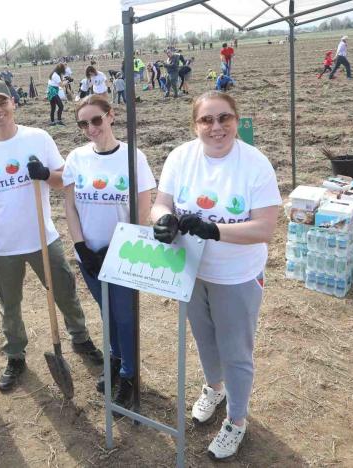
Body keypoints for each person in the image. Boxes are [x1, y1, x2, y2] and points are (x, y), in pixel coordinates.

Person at [150, 91, 281, 461]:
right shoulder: (181, 157)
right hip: (191, 270)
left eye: (224, 118)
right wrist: (162, 220)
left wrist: (215, 231)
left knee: (236, 350)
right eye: (206, 120)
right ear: (195, 125)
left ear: (236, 120)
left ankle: (236, 419)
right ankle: (214, 387)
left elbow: (265, 228)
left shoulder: (255, 164)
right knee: (205, 339)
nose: (216, 127)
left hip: (237, 275)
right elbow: (161, 203)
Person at [0, 80, 103, 392]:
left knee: (65, 291)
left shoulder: (38, 138)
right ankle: (15, 355)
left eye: (3, 102)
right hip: (2, 246)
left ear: (14, 103)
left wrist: (46, 175)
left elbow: (64, 180)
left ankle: (80, 338)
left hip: (43, 239)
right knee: (9, 304)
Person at [62, 95, 155, 408]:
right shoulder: (76, 157)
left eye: (96, 120)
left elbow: (143, 208)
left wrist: (120, 248)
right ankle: (115, 359)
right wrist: (80, 246)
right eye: (83, 124)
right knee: (107, 312)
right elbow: (70, 206)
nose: (91, 128)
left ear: (111, 116)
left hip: (123, 255)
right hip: (89, 256)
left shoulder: (133, 157)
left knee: (125, 316)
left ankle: (129, 374)